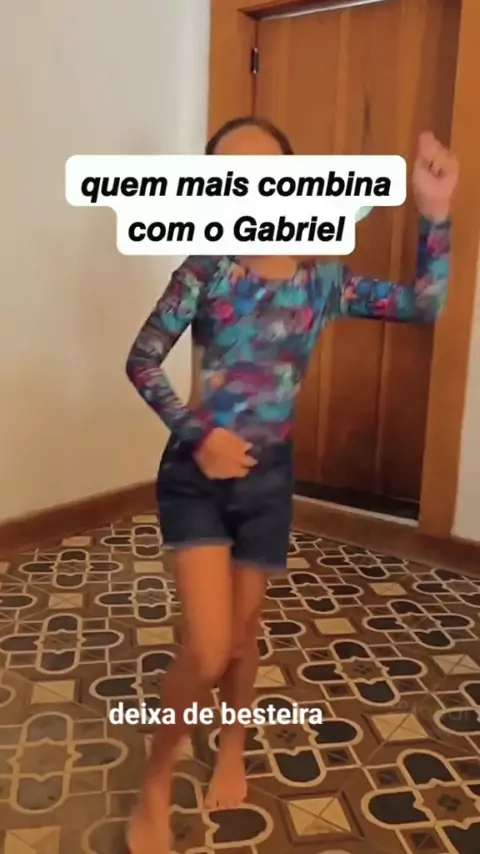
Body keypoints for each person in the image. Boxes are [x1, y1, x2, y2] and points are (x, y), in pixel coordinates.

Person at [125, 116, 458, 853]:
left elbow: (424, 304)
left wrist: (435, 214)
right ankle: (156, 779)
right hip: (195, 476)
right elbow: (142, 360)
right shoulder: (204, 271)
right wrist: (199, 434)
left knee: (243, 639)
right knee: (208, 647)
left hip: (269, 482)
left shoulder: (323, 281)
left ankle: (233, 745)